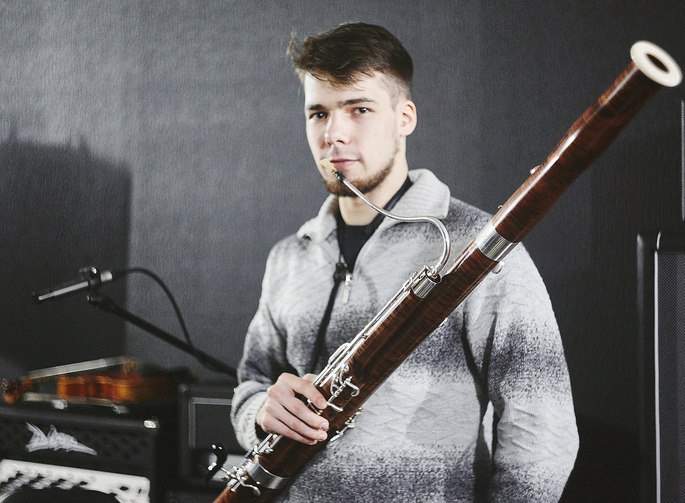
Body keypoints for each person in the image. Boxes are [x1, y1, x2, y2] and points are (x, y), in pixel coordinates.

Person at [231, 22, 578, 502]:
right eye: (318, 113)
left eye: (359, 109)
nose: (334, 134)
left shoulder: (479, 247)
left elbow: (543, 428)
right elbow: (251, 385)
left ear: (404, 118)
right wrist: (260, 413)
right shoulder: (290, 257)